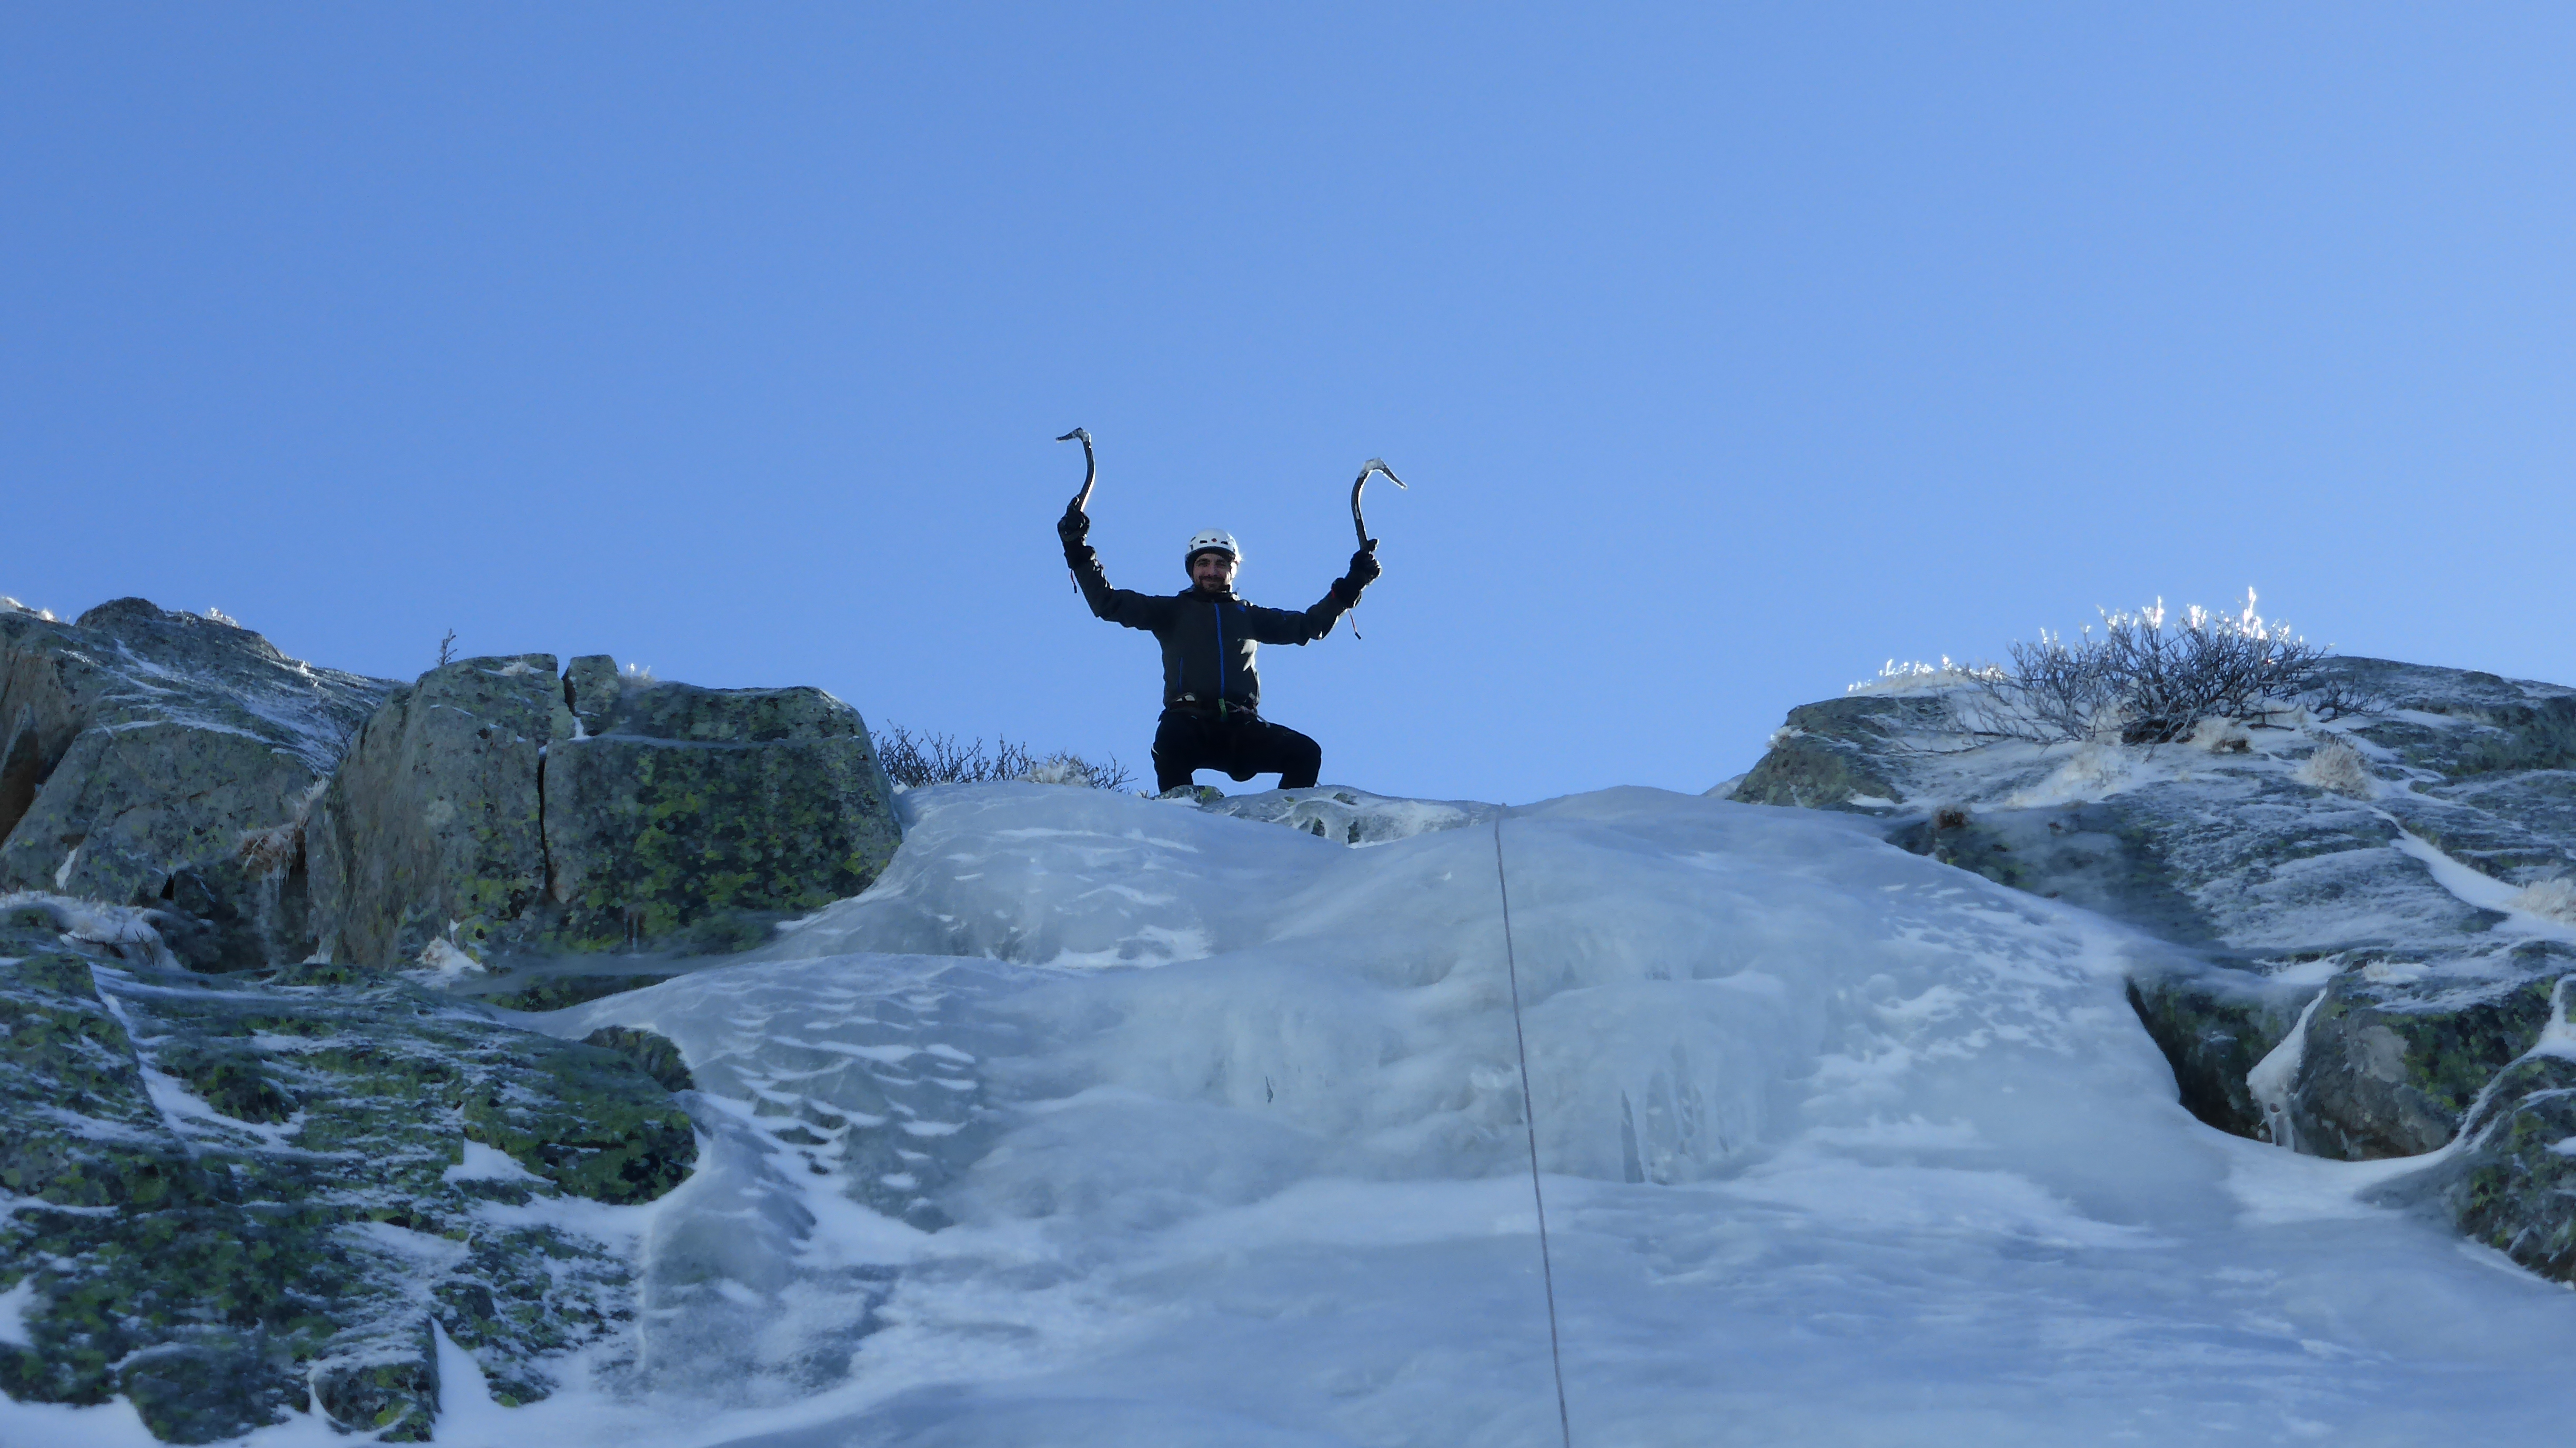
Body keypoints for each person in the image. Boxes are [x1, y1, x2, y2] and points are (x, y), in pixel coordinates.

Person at [1058, 506, 1380, 794]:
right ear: (1192, 569)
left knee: (1306, 753)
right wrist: (1077, 550)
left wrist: (1353, 583)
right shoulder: (1171, 611)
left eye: (1220, 564)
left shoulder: (1247, 616)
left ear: (1232, 570)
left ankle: (1284, 826)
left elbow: (1309, 625)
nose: (1211, 571)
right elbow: (1108, 603)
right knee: (1168, 739)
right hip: (1190, 723)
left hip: (1242, 727)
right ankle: (1181, 819)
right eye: (1204, 563)